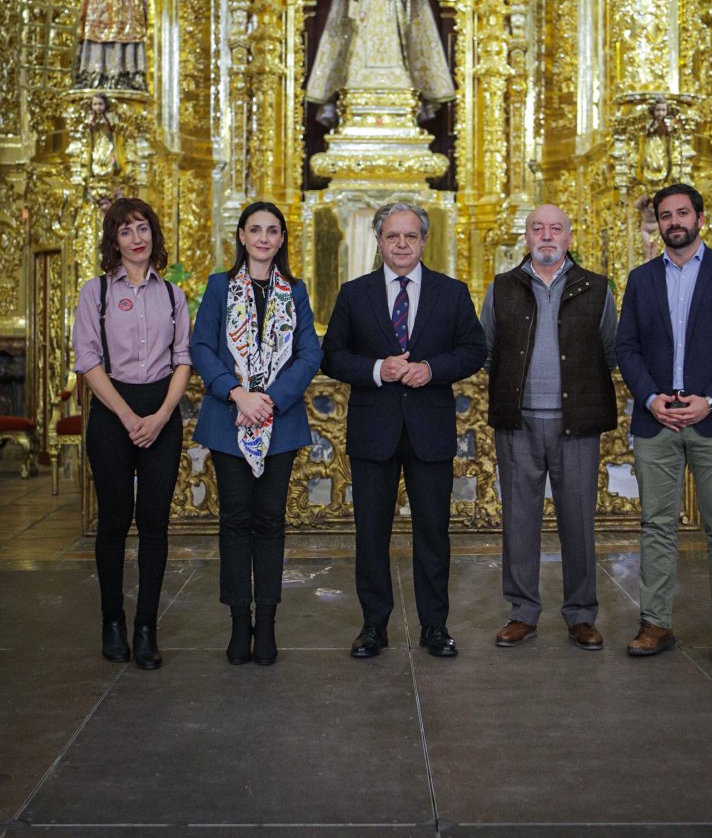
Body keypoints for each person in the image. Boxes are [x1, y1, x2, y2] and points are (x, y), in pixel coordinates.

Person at [322, 201, 486, 659]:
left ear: (424, 240)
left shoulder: (451, 293)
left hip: (429, 431)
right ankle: (374, 626)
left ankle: (435, 626)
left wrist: (431, 369)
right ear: (378, 240)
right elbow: (332, 355)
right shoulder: (354, 294)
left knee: (433, 532)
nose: (401, 244)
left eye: (410, 236)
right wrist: (378, 368)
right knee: (371, 533)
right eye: (392, 236)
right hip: (374, 431)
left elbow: (475, 349)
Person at [616, 183, 712, 664]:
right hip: (656, 421)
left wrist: (710, 400)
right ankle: (655, 623)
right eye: (665, 215)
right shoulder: (641, 279)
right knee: (656, 525)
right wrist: (652, 398)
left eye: (682, 213)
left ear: (699, 218)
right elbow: (626, 348)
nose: (674, 221)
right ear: (657, 222)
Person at [481, 205, 617, 651]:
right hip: (518, 422)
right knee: (519, 519)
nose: (546, 235)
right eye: (537, 228)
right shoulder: (502, 287)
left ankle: (581, 615)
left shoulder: (596, 288)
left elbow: (610, 350)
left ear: (569, 235)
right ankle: (522, 612)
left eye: (555, 228)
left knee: (577, 519)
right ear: (526, 237)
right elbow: (486, 350)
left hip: (575, 423)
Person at [191, 202, 321, 666]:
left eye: (272, 231)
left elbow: (309, 354)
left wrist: (270, 399)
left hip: (278, 423)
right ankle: (237, 622)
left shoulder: (296, 291)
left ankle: (266, 624)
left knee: (269, 524)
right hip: (229, 422)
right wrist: (237, 394)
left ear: (282, 239)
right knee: (234, 522)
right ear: (242, 236)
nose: (264, 238)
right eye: (255, 230)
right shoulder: (219, 287)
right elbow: (201, 346)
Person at [72, 198, 191, 670]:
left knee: (156, 524)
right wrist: (126, 416)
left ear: (154, 236)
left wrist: (161, 416)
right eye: (126, 232)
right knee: (115, 521)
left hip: (162, 411)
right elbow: (88, 361)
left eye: (143, 229)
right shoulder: (95, 292)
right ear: (113, 241)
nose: (137, 239)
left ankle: (146, 628)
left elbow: (183, 359)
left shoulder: (174, 296)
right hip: (111, 412)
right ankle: (112, 621)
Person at [306, 0, 455, 124]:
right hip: (369, 6)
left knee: (392, 42)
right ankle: (360, 76)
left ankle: (396, 75)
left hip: (389, 6)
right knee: (364, 42)